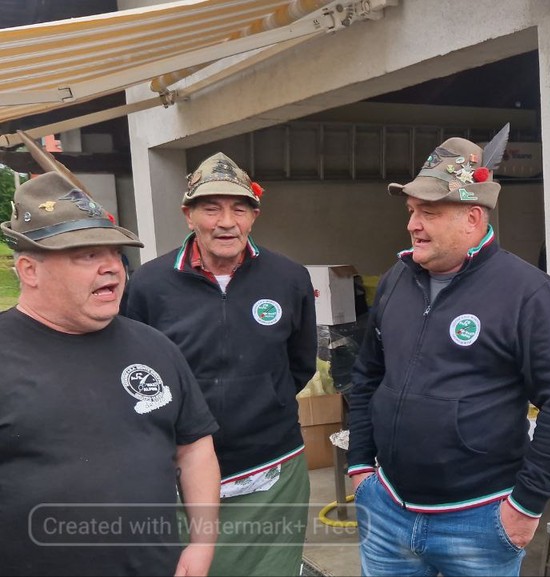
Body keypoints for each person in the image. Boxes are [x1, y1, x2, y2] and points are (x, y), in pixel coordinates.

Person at [347, 134, 550, 576]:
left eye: (429, 213)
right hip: (387, 509)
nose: (413, 225)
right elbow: (368, 376)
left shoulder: (527, 292)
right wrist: (361, 467)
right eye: (412, 211)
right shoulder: (395, 281)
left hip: (479, 519)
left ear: (472, 217)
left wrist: (526, 505)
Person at [0, 172, 220, 576]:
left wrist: (202, 542)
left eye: (115, 254)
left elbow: (195, 450)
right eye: (87, 255)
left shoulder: (155, 346)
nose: (113, 269)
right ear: (30, 270)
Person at [122, 153, 317, 577]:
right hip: (179, 469)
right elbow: (135, 372)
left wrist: (264, 397)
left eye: (239, 209)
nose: (226, 222)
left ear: (254, 217)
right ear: (188, 215)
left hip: (271, 464)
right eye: (211, 209)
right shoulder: (149, 284)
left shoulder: (289, 278)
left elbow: (300, 363)